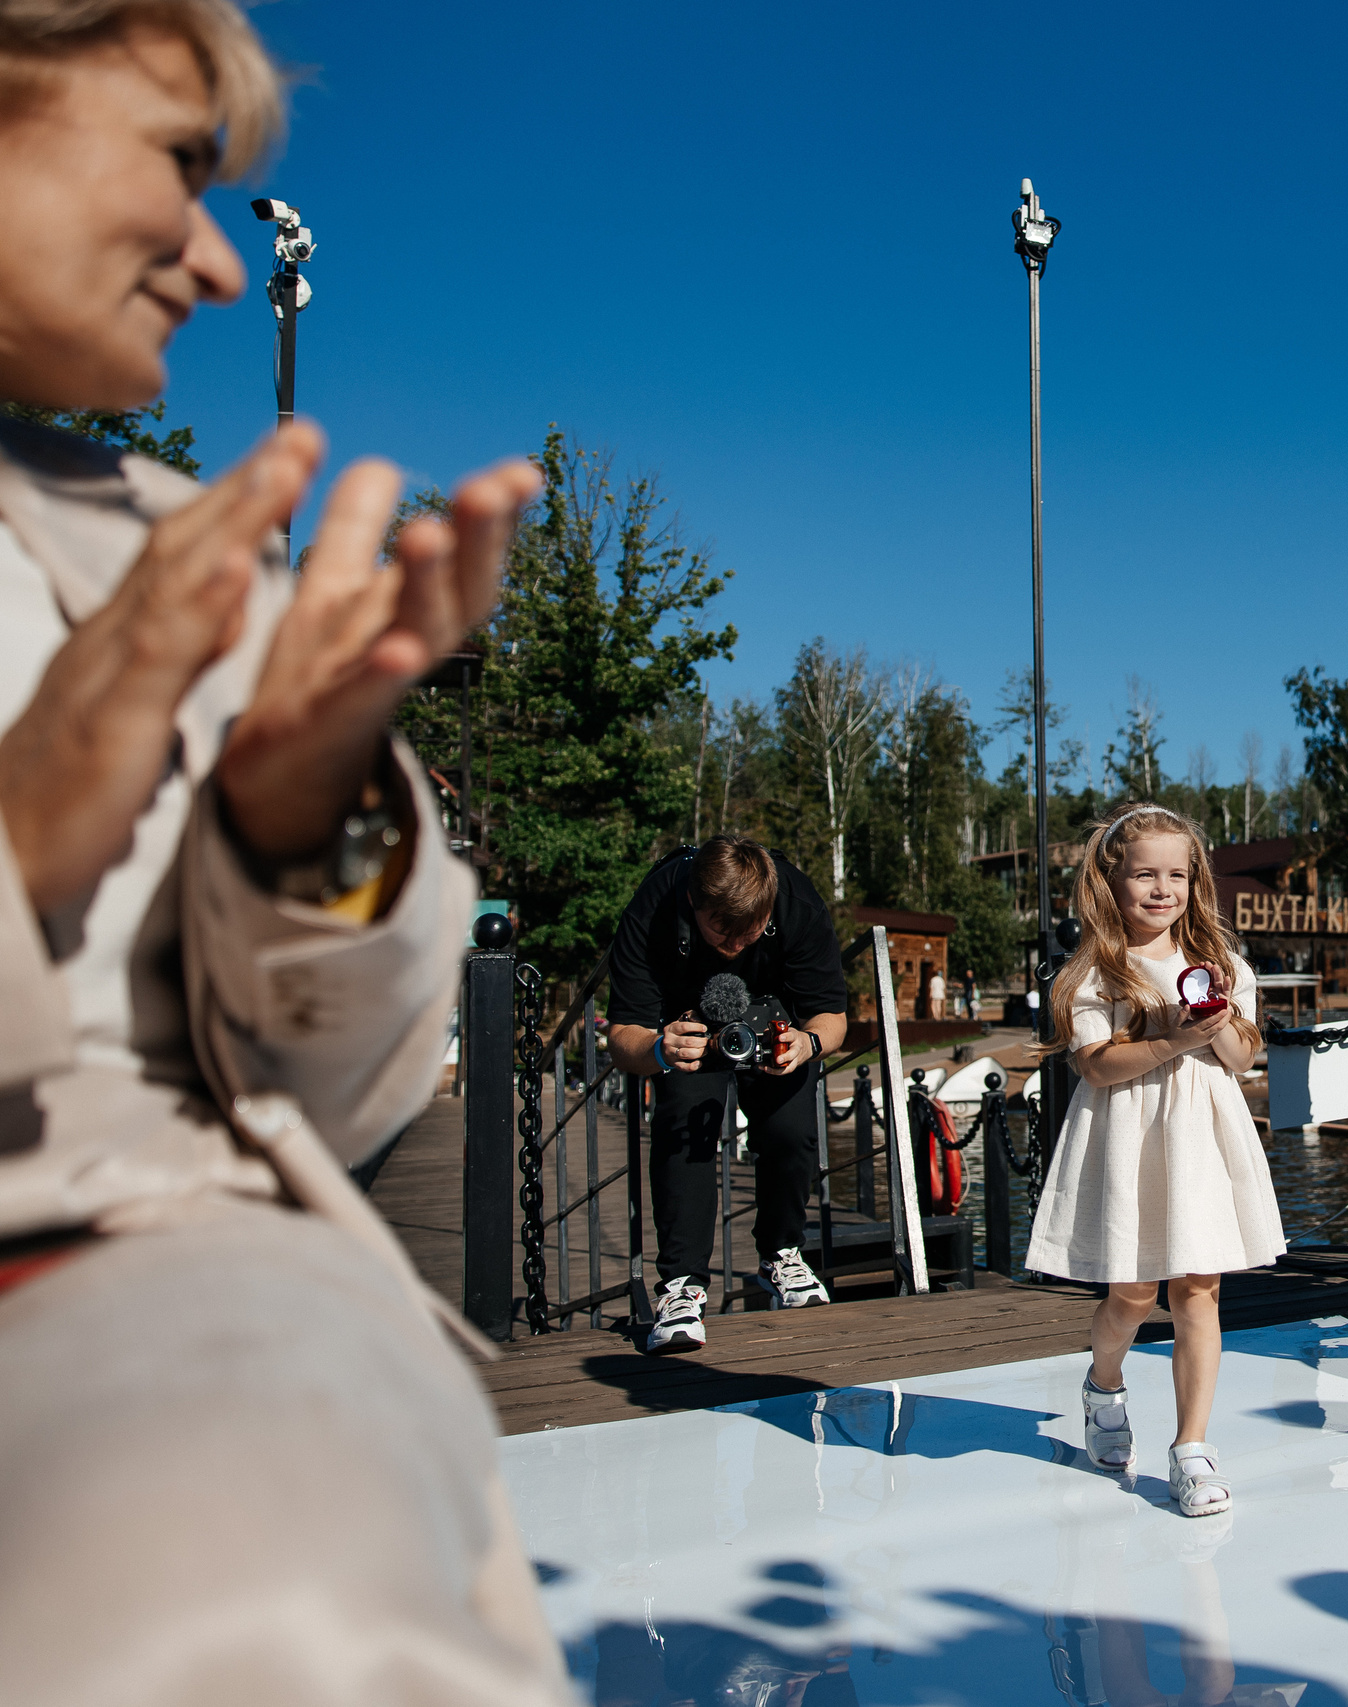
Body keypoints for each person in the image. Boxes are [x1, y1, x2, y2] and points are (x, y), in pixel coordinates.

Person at [0, 5, 568, 1699]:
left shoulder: (169, 544)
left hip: (188, 1316)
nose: (221, 265)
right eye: (181, 168)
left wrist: (300, 819)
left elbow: (350, 1091)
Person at [1026, 804, 1281, 1517]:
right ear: (1113, 880)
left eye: (1176, 873)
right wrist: (1172, 1037)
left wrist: (1217, 1019)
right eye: (1145, 874)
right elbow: (1100, 1068)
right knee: (1133, 1294)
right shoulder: (1092, 972)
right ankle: (1104, 1384)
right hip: (1129, 1139)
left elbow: (1240, 1056)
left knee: (1197, 1288)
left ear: (1195, 881)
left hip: (1199, 1135)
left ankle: (1192, 1447)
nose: (1161, 888)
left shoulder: (1221, 963)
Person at [605, 836, 850, 1355]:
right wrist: (658, 1048)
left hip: (773, 1021)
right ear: (693, 905)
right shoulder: (651, 910)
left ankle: (781, 1252)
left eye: (752, 931)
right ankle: (681, 1287)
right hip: (682, 1028)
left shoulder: (797, 903)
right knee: (683, 1125)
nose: (738, 944)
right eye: (723, 931)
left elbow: (832, 1018)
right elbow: (622, 1036)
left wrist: (805, 1045)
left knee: (791, 1130)